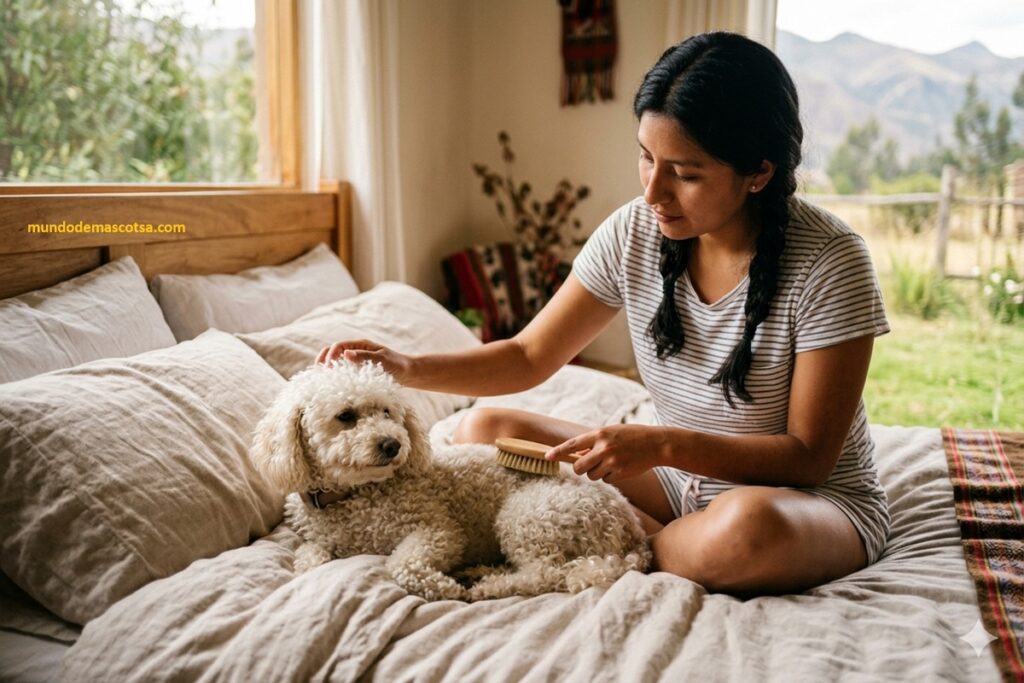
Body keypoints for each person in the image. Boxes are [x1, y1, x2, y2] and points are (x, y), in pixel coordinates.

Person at [317, 31, 891, 597]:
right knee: (485, 430)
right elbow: (527, 355)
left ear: (758, 173)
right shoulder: (634, 232)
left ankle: (630, 543)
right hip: (677, 484)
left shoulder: (830, 262)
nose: (654, 192)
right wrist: (407, 367)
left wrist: (662, 444)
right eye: (647, 158)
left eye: (686, 174)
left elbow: (809, 458)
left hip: (800, 503)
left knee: (748, 531)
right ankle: (649, 536)